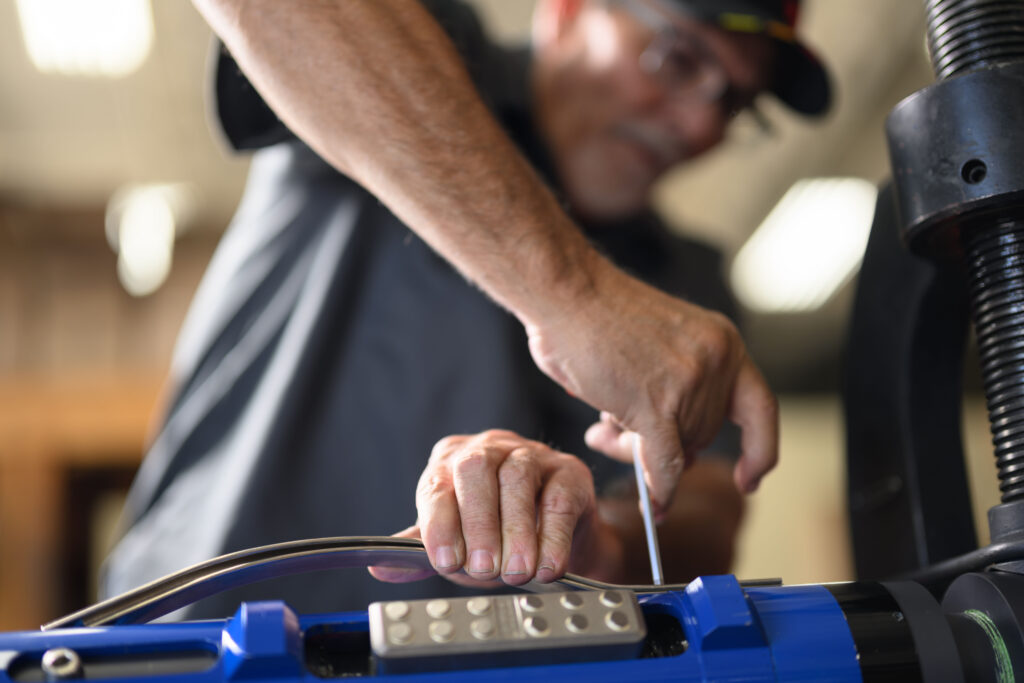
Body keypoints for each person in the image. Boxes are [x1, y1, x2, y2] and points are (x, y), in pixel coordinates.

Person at [102, 0, 829, 616]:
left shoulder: (688, 287)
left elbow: (709, 505)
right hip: (190, 641)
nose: (704, 127)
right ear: (568, 10)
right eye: (678, 59)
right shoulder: (420, 55)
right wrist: (576, 294)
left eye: (735, 101)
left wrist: (601, 542)